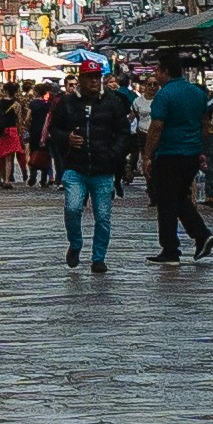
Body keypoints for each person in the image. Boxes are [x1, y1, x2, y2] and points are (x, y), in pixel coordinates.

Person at [53, 55, 136, 273]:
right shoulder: (67, 102)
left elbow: (124, 133)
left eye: (96, 77)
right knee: (72, 208)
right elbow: (54, 130)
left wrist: (113, 154)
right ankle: (75, 243)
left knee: (103, 216)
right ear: (81, 79)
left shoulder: (112, 102)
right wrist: (67, 138)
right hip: (75, 167)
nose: (93, 81)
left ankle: (98, 258)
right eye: (89, 77)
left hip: (103, 169)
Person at [145, 53, 213, 264]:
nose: (156, 74)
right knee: (178, 197)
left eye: (158, 70)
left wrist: (147, 155)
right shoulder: (198, 93)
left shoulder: (164, 95)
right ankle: (200, 235)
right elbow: (205, 124)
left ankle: (172, 249)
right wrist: (201, 148)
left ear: (165, 72)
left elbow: (156, 126)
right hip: (191, 153)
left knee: (166, 201)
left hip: (169, 153)